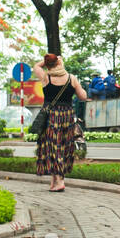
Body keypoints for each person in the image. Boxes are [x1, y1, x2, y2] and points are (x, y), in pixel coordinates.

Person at [34, 53, 87, 191]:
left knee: (53, 146)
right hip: (67, 116)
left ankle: (59, 181)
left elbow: (36, 66)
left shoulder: (46, 77)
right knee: (65, 146)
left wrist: (47, 62)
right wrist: (58, 61)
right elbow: (83, 97)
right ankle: (55, 180)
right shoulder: (71, 78)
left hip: (52, 116)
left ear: (48, 65)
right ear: (59, 63)